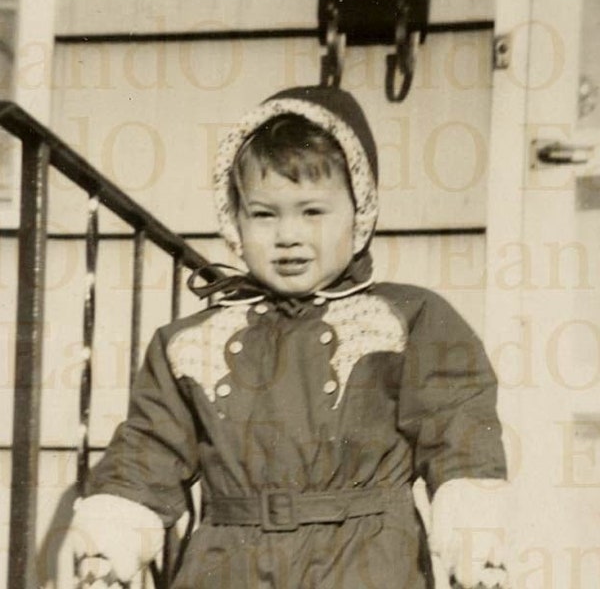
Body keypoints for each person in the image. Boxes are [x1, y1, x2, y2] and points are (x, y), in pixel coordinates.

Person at [69, 86, 510, 589]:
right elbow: (147, 451)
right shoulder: (193, 343)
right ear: (234, 220)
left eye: (313, 212)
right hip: (226, 561)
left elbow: (459, 429)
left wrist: (475, 543)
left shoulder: (405, 320)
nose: (288, 235)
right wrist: (110, 541)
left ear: (360, 213)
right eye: (265, 214)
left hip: (366, 559)